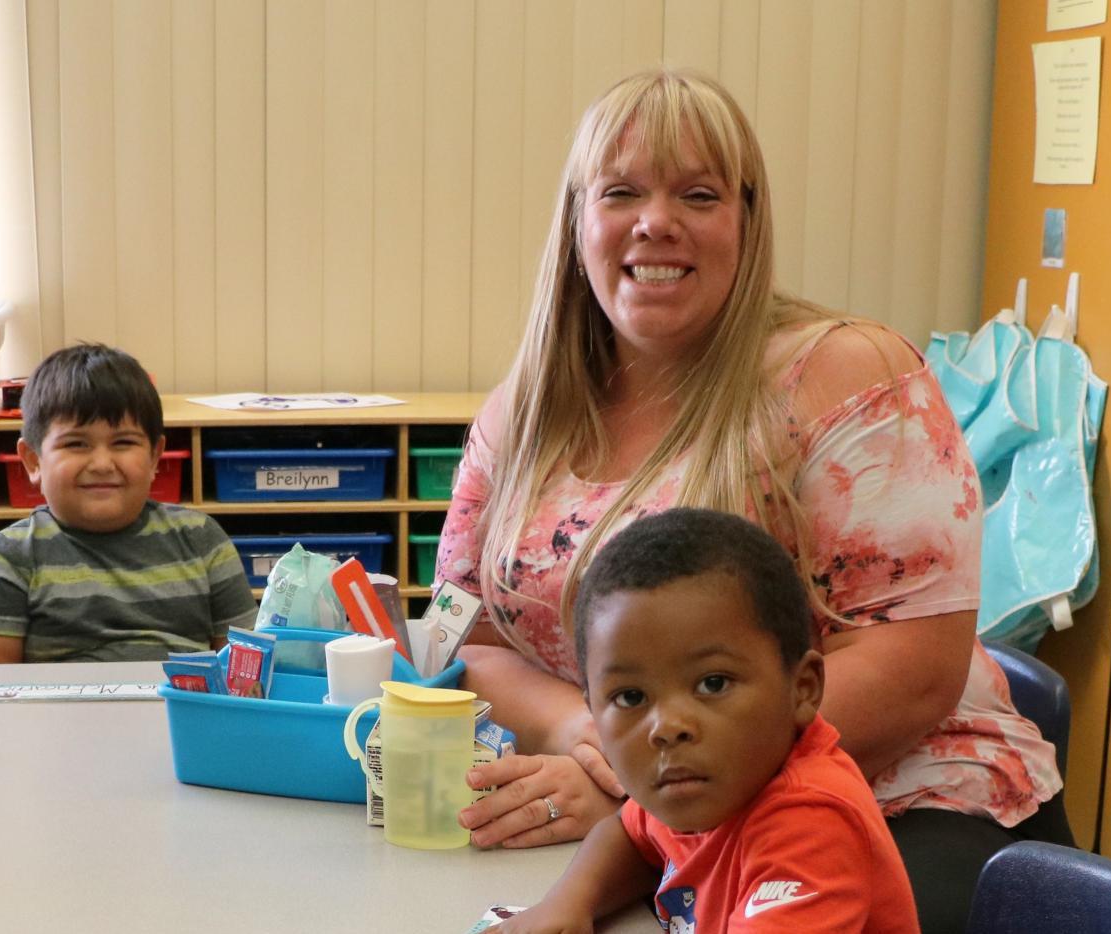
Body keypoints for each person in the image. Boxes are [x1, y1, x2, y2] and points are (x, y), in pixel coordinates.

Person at [435, 69, 1067, 932]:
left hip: (899, 814)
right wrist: (591, 737)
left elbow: (917, 666)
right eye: (622, 191)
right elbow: (466, 639)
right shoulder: (525, 410)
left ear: (747, 222)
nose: (657, 220)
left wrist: (652, 787)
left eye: (698, 193)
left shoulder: (848, 378)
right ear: (578, 220)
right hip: (655, 816)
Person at [498, 509, 917, 933]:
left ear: (803, 688)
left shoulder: (813, 824)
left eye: (713, 684)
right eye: (631, 697)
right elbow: (628, 832)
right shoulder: (700, 781)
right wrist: (568, 904)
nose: (667, 726)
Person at [0, 342, 256, 663]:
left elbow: (246, 672)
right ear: (33, 462)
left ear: (155, 456)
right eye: (76, 444)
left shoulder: (201, 540)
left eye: (123, 442)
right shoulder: (9, 560)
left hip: (177, 711)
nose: (101, 464)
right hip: (55, 714)